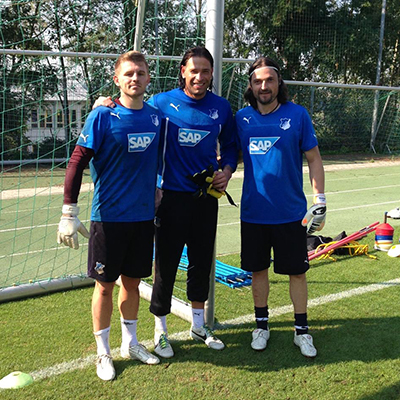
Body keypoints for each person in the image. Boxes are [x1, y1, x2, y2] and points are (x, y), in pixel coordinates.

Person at [92, 46, 237, 359]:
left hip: (204, 198)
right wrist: (103, 104)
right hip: (167, 197)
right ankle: (161, 332)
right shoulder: (161, 103)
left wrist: (226, 170)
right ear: (183, 71)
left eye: (206, 71)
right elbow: (131, 109)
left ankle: (199, 325)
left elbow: (231, 147)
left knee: (202, 262)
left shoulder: (221, 108)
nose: (200, 76)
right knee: (166, 265)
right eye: (193, 70)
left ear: (212, 75)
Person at [57, 51, 162, 381]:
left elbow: (160, 160)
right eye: (128, 73)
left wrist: (157, 186)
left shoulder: (157, 117)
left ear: (148, 78)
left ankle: (130, 343)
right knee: (104, 286)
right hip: (109, 218)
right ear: (117, 79)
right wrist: (68, 211)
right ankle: (103, 351)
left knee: (133, 283)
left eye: (141, 73)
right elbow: (76, 163)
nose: (135, 78)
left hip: (143, 218)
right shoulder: (102, 115)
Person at [235, 56, 326, 358]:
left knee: (297, 273)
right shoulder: (241, 119)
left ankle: (302, 331)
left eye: (269, 80)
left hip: (291, 214)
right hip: (254, 212)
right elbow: (221, 151)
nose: (264, 85)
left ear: (279, 83)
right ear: (250, 85)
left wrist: (320, 199)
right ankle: (261, 326)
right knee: (258, 271)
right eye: (258, 81)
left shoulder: (297, 115)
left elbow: (313, 158)